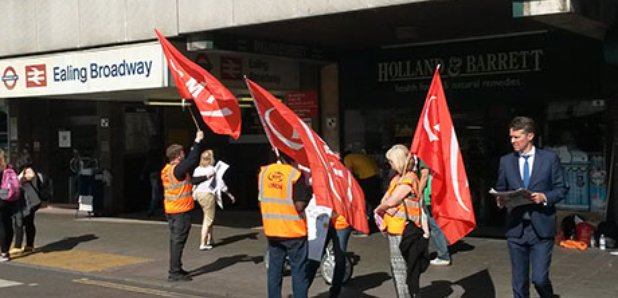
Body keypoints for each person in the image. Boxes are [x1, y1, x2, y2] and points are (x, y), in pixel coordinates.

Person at [495, 116, 568, 298]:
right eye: (511, 137)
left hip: (541, 228)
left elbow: (562, 188)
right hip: (516, 228)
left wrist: (545, 196)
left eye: (517, 137)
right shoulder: (506, 161)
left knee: (539, 279)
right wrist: (500, 199)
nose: (512, 141)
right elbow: (501, 188)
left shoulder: (549, 159)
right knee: (519, 283)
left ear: (530, 136)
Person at [375, 144, 429, 298]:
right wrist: (384, 206)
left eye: (391, 161)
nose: (389, 165)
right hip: (395, 229)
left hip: (404, 230)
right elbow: (385, 199)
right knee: (399, 268)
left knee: (401, 269)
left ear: (398, 161)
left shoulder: (409, 178)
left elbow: (391, 200)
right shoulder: (397, 179)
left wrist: (381, 208)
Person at [259, 155, 311, 298]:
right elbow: (299, 205)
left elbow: (261, 200)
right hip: (293, 232)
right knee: (299, 272)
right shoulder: (295, 175)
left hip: (273, 230)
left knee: (274, 270)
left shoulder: (264, 173)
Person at [161, 130, 205, 282]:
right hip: (180, 212)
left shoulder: (168, 170)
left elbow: (188, 182)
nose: (184, 155)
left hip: (172, 210)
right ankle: (174, 272)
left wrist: (205, 177)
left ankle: (177, 268)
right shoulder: (178, 169)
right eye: (182, 153)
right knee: (177, 242)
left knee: (175, 241)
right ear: (178, 155)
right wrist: (197, 141)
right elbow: (192, 161)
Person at [306, 213, 353, 298]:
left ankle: (334, 293)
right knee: (314, 258)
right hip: (324, 221)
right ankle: (302, 290)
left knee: (339, 259)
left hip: (341, 223)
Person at [416, 157, 451, 266]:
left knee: (434, 226)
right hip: (436, 194)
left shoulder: (425, 158)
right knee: (434, 225)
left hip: (429, 196)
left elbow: (424, 175)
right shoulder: (436, 156)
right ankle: (442, 251)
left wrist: (418, 192)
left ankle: (443, 255)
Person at [13, 165, 49, 254]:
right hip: (28, 202)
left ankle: (19, 246)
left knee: (19, 222)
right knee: (28, 222)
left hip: (30, 202)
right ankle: (29, 245)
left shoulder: (28, 170)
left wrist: (21, 179)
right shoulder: (20, 171)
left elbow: (30, 176)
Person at [343, 149, 381, 233]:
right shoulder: (359, 155)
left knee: (363, 201)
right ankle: (376, 221)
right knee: (375, 201)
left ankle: (367, 224)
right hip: (375, 177)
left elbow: (349, 173)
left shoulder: (348, 158)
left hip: (367, 179)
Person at [192, 149, 217, 250]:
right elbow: (218, 183)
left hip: (198, 194)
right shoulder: (212, 169)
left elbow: (194, 182)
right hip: (208, 194)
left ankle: (210, 238)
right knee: (208, 219)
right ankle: (203, 242)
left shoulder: (197, 169)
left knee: (208, 215)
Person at [0, 149, 18, 262]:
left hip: (0, 198)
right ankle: (6, 251)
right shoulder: (9, 168)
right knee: (8, 224)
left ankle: (3, 252)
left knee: (1, 226)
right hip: (11, 199)